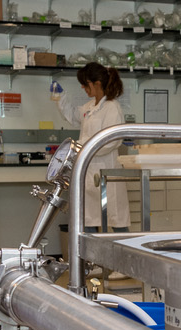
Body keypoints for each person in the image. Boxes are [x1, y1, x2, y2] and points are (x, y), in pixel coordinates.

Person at [52, 63, 129, 231]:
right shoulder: (90, 107)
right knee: (88, 221)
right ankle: (92, 258)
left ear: (97, 84)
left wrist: (84, 148)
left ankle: (122, 257)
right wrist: (60, 97)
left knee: (116, 222)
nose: (83, 87)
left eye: (85, 84)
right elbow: (73, 116)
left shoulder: (112, 107)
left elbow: (112, 141)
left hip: (106, 173)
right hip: (88, 173)